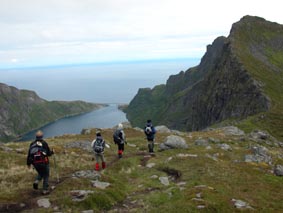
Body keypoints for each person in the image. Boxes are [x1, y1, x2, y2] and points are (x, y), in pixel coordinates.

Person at [27, 130, 54, 195]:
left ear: (36, 136)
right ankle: (45, 190)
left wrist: (28, 164)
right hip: (44, 163)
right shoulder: (44, 143)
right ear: (42, 136)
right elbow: (48, 154)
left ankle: (36, 181)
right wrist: (52, 152)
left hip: (35, 163)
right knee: (46, 175)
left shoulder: (32, 144)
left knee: (40, 173)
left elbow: (29, 155)